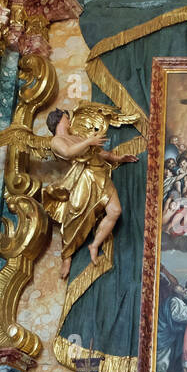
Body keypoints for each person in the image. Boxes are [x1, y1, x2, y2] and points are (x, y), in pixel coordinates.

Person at [42, 107, 140, 277]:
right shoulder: (56, 141)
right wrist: (88, 141)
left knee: (115, 211)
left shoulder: (76, 136)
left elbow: (98, 153)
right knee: (75, 216)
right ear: (59, 120)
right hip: (84, 178)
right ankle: (67, 255)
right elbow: (67, 152)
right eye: (67, 117)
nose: (69, 120)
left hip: (100, 173)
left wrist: (118, 158)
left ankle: (94, 245)